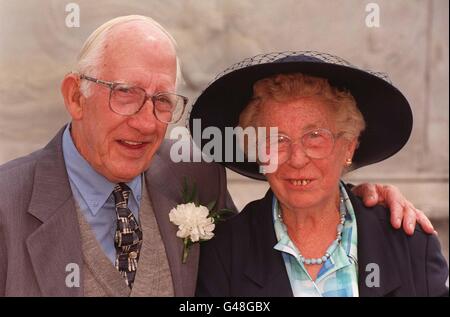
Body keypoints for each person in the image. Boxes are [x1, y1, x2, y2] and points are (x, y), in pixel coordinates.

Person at [0, 16, 435, 297]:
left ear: (348, 145)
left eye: (162, 101)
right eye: (125, 95)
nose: (147, 122)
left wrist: (360, 197)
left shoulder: (194, 172)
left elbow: (306, 193)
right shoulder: (6, 205)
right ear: (76, 97)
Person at [193, 52, 449, 297]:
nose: (297, 158)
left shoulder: (409, 244)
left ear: (348, 145)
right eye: (276, 140)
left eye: (315, 137)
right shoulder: (224, 252)